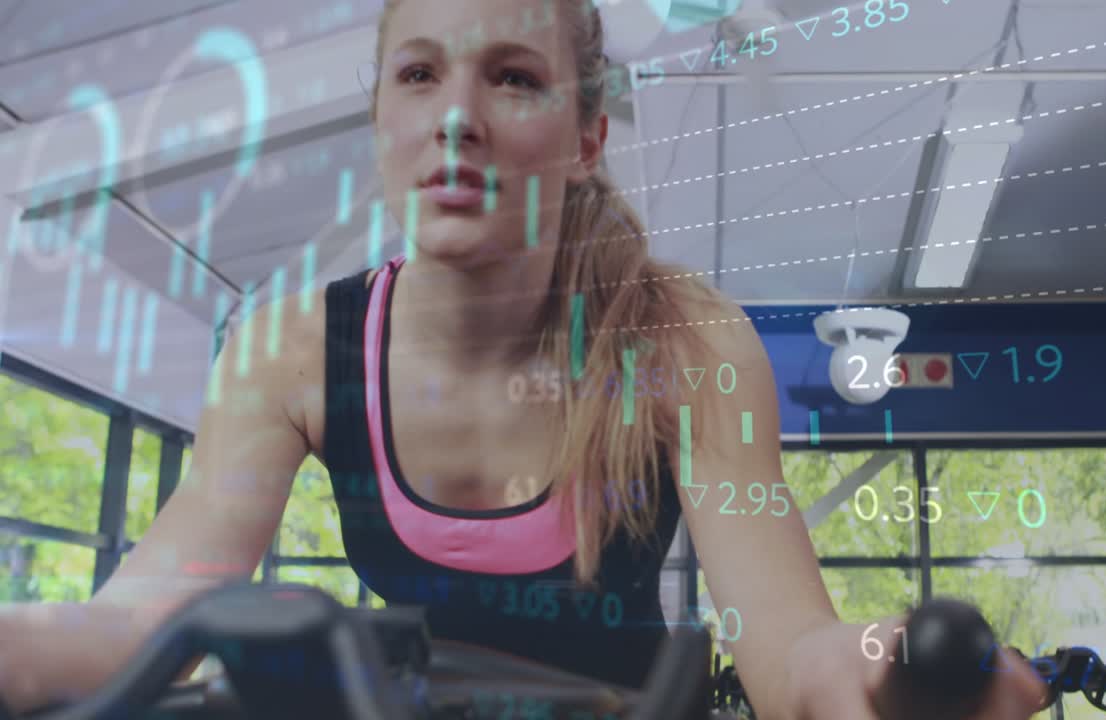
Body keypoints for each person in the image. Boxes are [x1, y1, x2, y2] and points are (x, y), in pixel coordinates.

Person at [0, 0, 1048, 717]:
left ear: (587, 137)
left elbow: (784, 650)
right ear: (380, 118)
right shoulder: (287, 351)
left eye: (512, 78)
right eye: (419, 74)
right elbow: (150, 612)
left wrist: (880, 668)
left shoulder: (686, 341)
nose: (456, 118)